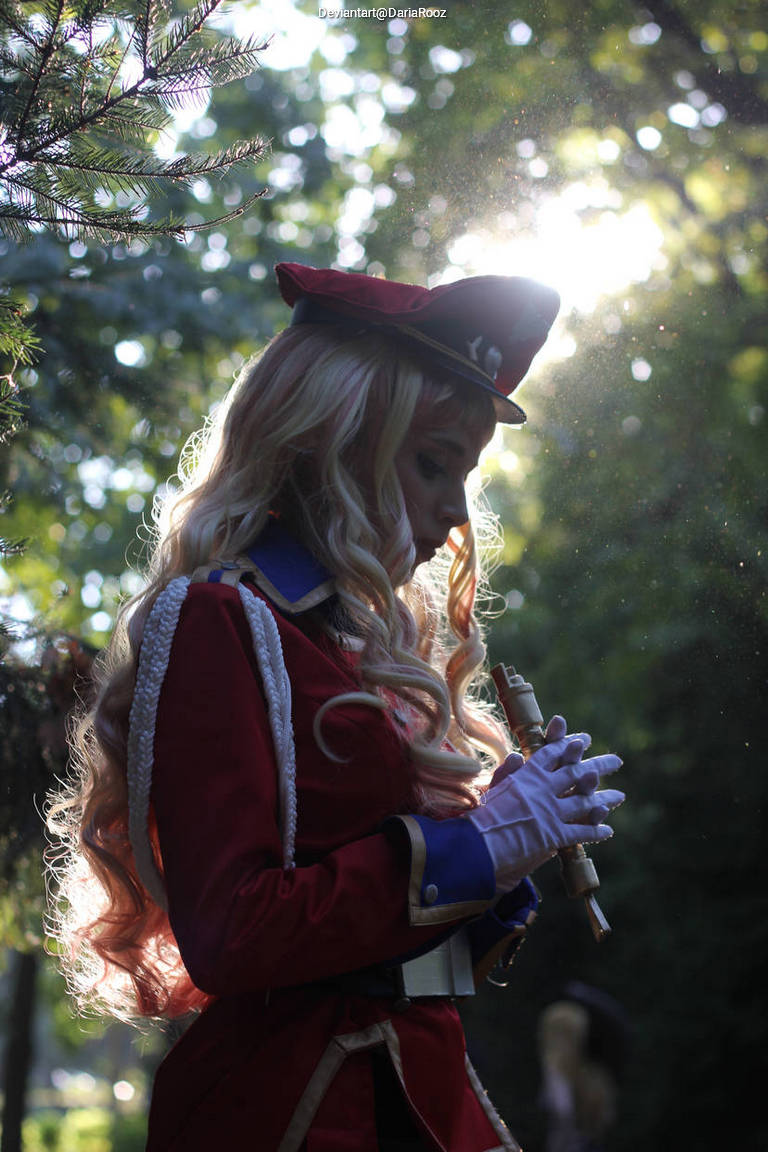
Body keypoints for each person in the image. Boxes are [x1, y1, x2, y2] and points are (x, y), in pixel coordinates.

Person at [46, 262, 624, 1152]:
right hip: (297, 1113)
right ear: (335, 435)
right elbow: (235, 934)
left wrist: (509, 851)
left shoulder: (367, 648)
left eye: (465, 474)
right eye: (435, 463)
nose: (453, 512)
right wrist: (481, 844)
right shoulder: (219, 621)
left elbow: (405, 950)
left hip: (428, 1098)